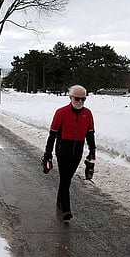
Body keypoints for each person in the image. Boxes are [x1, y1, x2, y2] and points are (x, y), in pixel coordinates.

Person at [43, 85, 96, 224]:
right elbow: (52, 134)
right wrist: (48, 153)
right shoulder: (61, 112)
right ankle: (66, 209)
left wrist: (92, 151)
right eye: (77, 99)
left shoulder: (88, 114)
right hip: (63, 149)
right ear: (70, 97)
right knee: (65, 178)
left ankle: (60, 200)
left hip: (78, 150)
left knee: (67, 178)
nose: (80, 102)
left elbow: (90, 135)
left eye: (83, 99)